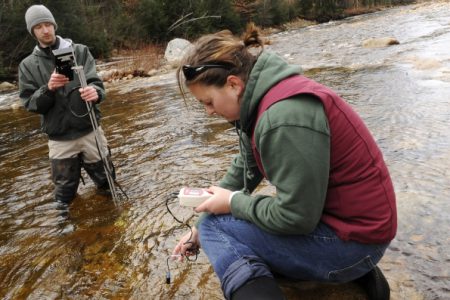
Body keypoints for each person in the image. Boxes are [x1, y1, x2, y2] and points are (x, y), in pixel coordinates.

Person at [173, 24, 397, 300]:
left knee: (216, 229)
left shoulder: (283, 117)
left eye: (208, 101)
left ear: (233, 84)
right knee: (210, 224)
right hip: (350, 230)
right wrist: (204, 216)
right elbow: (246, 166)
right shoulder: (262, 98)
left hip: (357, 244)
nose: (208, 112)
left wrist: (229, 205)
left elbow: (295, 217)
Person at [18, 5, 113, 206]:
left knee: (107, 182)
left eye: (48, 24)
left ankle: (111, 221)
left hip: (89, 131)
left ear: (54, 25)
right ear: (32, 32)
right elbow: (30, 104)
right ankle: (67, 230)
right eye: (38, 27)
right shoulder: (27, 66)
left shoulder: (78, 51)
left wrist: (96, 93)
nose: (45, 30)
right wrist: (48, 88)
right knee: (64, 195)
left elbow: (97, 83)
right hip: (59, 138)